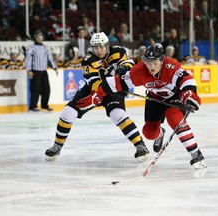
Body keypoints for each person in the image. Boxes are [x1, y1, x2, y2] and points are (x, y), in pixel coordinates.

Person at [77, 43, 207, 169]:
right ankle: (160, 134)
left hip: (174, 98)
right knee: (149, 133)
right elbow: (113, 83)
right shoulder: (139, 70)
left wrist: (189, 95)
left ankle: (196, 153)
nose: (152, 67)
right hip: (154, 99)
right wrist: (97, 95)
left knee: (174, 119)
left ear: (162, 61)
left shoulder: (170, 66)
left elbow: (187, 80)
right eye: (149, 63)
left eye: (155, 62)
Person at [45, 32, 150, 162]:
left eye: (101, 46)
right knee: (67, 112)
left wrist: (124, 69)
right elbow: (95, 84)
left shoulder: (118, 51)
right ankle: (57, 145)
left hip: (113, 89)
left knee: (118, 114)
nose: (98, 50)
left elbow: (129, 65)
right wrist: (100, 94)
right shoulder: (87, 61)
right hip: (93, 90)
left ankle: (140, 145)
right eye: (95, 47)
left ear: (107, 45)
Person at [25, 30, 58, 112]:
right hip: (35, 71)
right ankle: (33, 106)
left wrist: (55, 68)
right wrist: (29, 70)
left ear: (43, 38)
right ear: (35, 38)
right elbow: (28, 60)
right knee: (35, 89)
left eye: (40, 37)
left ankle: (44, 105)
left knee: (47, 89)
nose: (39, 38)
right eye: (37, 37)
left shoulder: (45, 47)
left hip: (44, 71)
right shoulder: (31, 48)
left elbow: (50, 59)